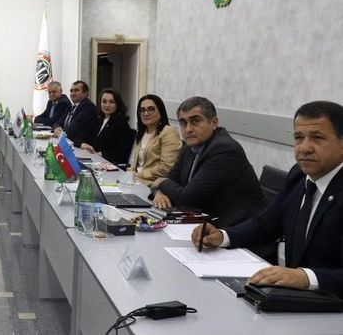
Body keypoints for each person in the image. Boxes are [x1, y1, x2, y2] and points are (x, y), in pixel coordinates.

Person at [192, 101, 343, 297]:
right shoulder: (298, 175)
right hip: (297, 301)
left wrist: (306, 277)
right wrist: (223, 236)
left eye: (317, 137)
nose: (304, 148)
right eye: (298, 137)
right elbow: (266, 224)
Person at [151, 96, 265, 228]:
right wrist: (158, 193)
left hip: (238, 230)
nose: (188, 129)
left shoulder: (224, 150)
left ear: (214, 122)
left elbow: (187, 199)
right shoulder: (190, 147)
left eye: (195, 121)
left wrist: (161, 182)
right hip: (204, 223)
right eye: (183, 123)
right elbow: (171, 179)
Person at [127, 94, 182, 186]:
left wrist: (139, 174)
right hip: (135, 181)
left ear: (161, 111)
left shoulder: (169, 132)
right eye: (142, 110)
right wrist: (128, 174)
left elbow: (166, 168)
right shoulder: (141, 132)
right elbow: (133, 163)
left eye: (151, 109)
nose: (146, 113)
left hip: (154, 185)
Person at [80, 88, 135, 166]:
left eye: (111, 102)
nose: (107, 105)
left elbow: (121, 153)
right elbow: (81, 136)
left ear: (117, 104)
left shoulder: (121, 123)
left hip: (109, 165)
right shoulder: (98, 120)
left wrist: (100, 154)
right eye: (104, 101)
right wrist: (82, 144)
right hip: (95, 161)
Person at [53, 80, 98, 147]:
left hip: (81, 146)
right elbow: (57, 123)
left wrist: (59, 132)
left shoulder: (88, 107)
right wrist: (56, 128)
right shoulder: (70, 107)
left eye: (76, 90)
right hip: (69, 143)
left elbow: (72, 129)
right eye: (71, 91)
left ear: (86, 93)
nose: (72, 93)